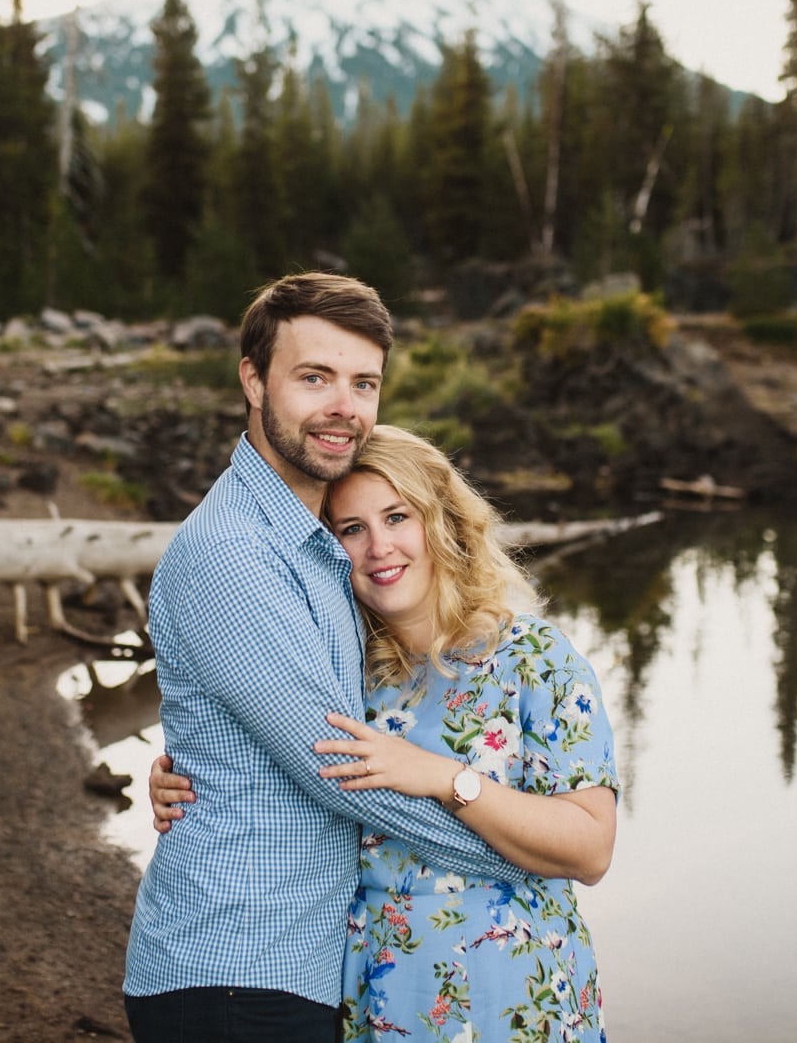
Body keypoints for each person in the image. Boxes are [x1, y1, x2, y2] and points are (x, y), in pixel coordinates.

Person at [122, 274, 530, 1043]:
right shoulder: (234, 555)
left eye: (363, 382)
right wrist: (523, 847)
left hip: (289, 968)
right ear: (252, 379)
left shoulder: (319, 541)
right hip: (236, 971)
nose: (343, 405)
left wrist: (188, 763)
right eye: (315, 377)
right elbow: (342, 768)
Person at [153, 424, 619, 1042]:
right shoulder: (343, 672)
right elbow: (284, 769)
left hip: (512, 985)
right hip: (373, 986)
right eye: (351, 529)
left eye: (397, 517)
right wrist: (186, 776)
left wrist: (448, 779)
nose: (379, 547)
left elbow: (590, 849)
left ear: (443, 522)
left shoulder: (534, 659)